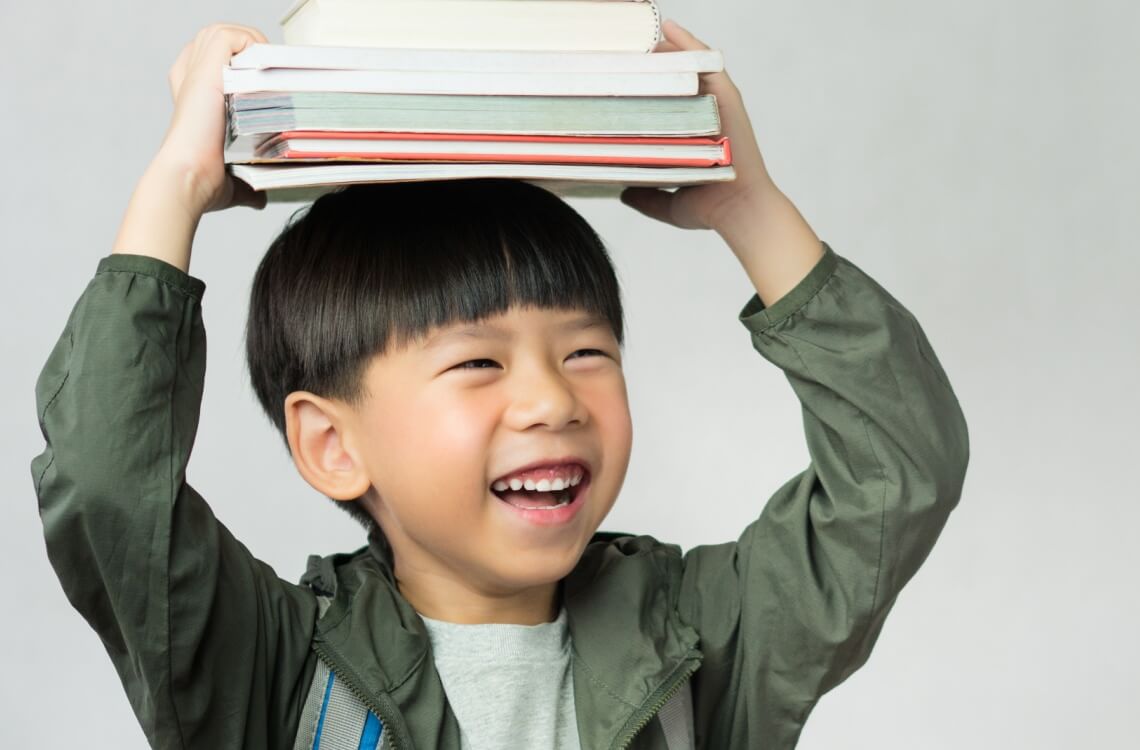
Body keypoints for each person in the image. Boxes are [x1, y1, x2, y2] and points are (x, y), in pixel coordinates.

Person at [31, 19, 969, 750]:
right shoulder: (272, 666)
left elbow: (897, 468)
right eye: (479, 363)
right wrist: (178, 182)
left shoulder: (704, 641)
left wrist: (751, 208)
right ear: (332, 444)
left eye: (586, 354)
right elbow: (110, 485)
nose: (554, 400)